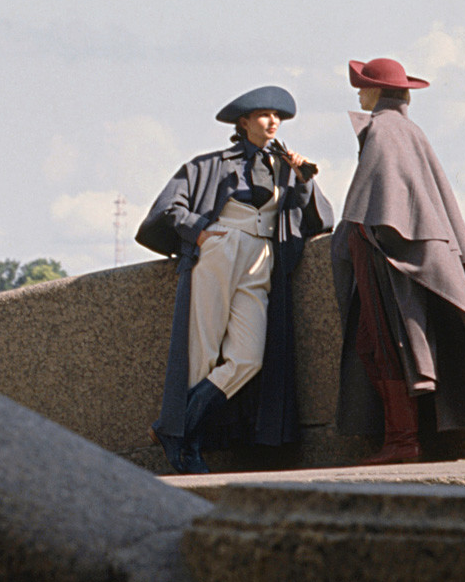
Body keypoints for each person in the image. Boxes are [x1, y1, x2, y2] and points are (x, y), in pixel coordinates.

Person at [137, 86, 334, 474]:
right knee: (203, 349)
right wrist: (200, 232)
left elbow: (319, 222)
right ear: (244, 123)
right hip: (221, 249)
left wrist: (304, 179)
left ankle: (175, 428)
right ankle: (188, 444)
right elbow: (169, 208)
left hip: (261, 257)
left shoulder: (286, 167)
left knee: (247, 358)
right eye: (263, 115)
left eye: (278, 116)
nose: (273, 121)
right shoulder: (209, 164)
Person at [331, 58, 465, 462]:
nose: (359, 93)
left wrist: (359, 234)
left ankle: (402, 441)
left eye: (364, 86)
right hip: (414, 254)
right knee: (400, 344)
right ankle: (403, 438)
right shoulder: (410, 130)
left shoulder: (381, 130)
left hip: (389, 258)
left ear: (379, 92)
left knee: (384, 345)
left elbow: (372, 207)